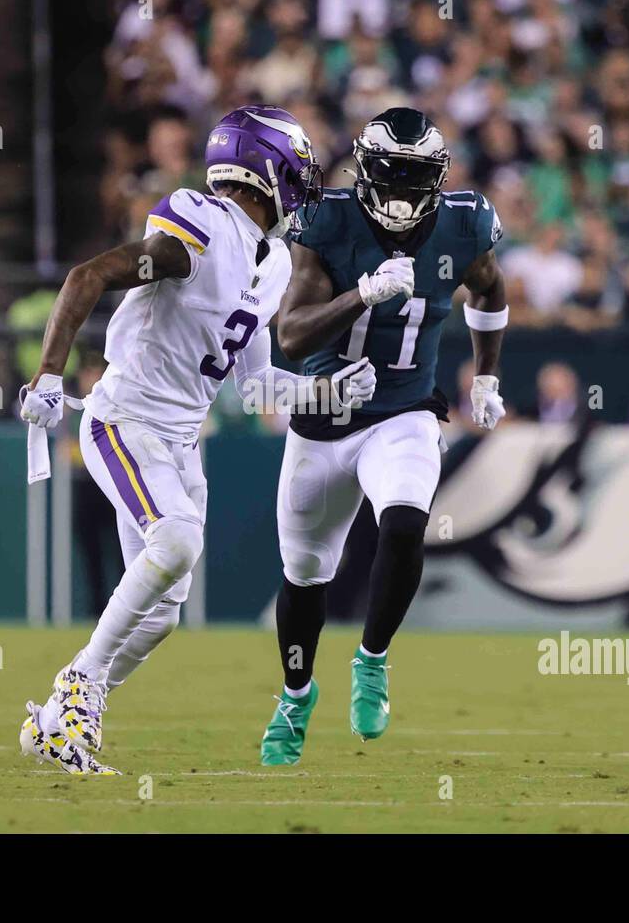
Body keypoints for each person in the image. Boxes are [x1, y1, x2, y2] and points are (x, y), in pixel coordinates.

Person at [16, 105, 375, 776]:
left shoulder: (269, 263)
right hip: (126, 422)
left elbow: (259, 386)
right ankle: (77, 694)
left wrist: (330, 392)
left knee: (160, 617)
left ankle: (53, 719)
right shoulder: (202, 226)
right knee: (177, 541)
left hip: (181, 444)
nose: (304, 185)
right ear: (266, 168)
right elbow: (85, 278)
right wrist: (46, 374)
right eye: (297, 169)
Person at [259, 108, 507, 765]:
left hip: (404, 411)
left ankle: (372, 660)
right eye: (391, 175)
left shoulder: (463, 222)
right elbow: (291, 334)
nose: (400, 190)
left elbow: (488, 288)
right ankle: (295, 693)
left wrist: (485, 376)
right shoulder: (328, 222)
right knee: (305, 575)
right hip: (323, 418)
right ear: (365, 172)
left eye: (414, 177)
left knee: (403, 522)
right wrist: (362, 295)